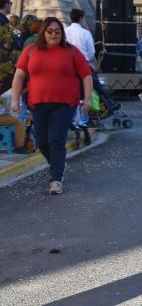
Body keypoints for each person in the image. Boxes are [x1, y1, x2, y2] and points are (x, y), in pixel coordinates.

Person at [11, 17, 92, 195]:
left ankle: (56, 179)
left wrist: (87, 100)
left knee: (57, 140)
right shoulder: (31, 51)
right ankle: (58, 166)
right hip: (37, 103)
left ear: (62, 33)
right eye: (50, 31)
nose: (54, 34)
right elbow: (19, 75)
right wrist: (15, 99)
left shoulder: (71, 51)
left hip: (64, 103)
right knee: (42, 142)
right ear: (43, 32)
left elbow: (86, 76)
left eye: (57, 31)